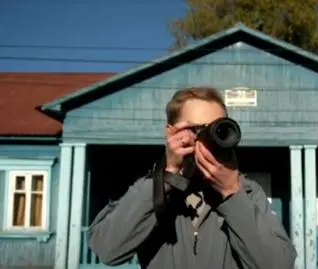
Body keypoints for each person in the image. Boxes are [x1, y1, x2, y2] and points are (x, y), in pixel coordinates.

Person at [88, 87, 297, 269]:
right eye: (195, 129)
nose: (206, 139)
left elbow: (279, 265)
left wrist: (232, 193)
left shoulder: (248, 192)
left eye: (217, 129)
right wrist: (166, 177)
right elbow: (107, 250)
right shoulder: (151, 191)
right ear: (170, 133)